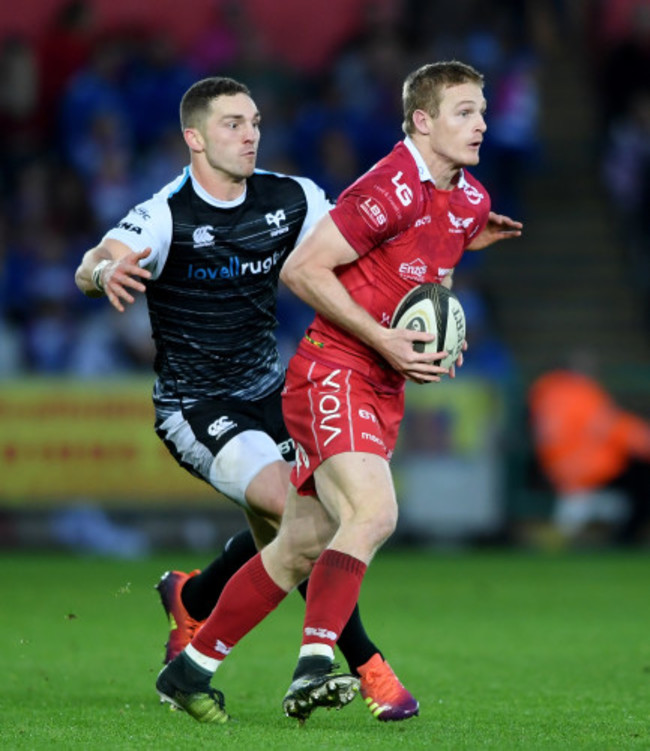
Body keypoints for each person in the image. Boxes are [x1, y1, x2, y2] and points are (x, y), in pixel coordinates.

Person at [155, 60, 523, 724]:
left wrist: (443, 332)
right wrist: (384, 338)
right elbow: (303, 269)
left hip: (382, 385)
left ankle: (192, 666)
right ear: (422, 121)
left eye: (483, 110)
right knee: (376, 512)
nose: (481, 123)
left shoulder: (467, 198)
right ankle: (315, 663)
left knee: (300, 543)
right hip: (335, 370)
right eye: (464, 111)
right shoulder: (386, 187)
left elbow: (425, 277)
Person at [74, 76, 421, 724]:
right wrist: (101, 271)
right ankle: (367, 663)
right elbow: (98, 257)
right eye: (232, 123)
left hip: (275, 391)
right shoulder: (167, 213)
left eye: (255, 120)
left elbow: (353, 250)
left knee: (307, 527)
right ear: (195, 137)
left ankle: (194, 595)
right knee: (298, 518)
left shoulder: (291, 198)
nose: (250, 133)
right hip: (198, 407)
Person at [528, 349, 650, 545]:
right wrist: (644, 438)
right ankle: (626, 539)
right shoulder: (580, 394)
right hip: (590, 467)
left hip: (560, 469)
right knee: (642, 482)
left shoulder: (546, 393)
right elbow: (611, 427)